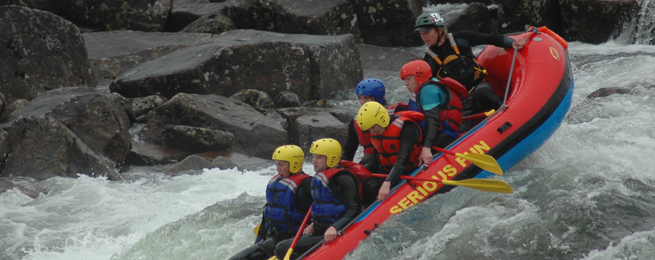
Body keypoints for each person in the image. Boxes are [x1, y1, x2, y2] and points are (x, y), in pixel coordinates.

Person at [413, 12, 526, 130]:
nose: (424, 37)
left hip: (479, 87)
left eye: (427, 32)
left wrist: (511, 42)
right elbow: (427, 88)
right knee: (460, 129)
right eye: (421, 34)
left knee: (484, 94)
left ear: (440, 30)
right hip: (462, 102)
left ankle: (514, 112)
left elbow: (490, 38)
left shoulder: (461, 38)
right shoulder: (428, 60)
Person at [274, 138, 363, 260]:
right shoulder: (321, 176)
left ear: (331, 158)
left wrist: (335, 227)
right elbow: (318, 205)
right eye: (313, 157)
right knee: (279, 248)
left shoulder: (343, 178)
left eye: (319, 158)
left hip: (338, 230)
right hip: (321, 230)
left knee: (282, 248)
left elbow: (354, 208)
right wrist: (314, 225)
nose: (314, 161)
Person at [229, 145, 312, 260]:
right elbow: (267, 216)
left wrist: (313, 225)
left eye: (281, 164)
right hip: (272, 239)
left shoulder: (307, 184)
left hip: (293, 241)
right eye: (276, 164)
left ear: (295, 163)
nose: (277, 169)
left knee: (270, 245)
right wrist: (257, 242)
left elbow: (323, 209)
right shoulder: (275, 182)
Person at [400, 60, 468, 166]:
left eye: (409, 79)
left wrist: (426, 148)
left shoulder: (428, 91)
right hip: (437, 133)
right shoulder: (425, 89)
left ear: (420, 76)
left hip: (446, 134)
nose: (405, 83)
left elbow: (433, 121)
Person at [356, 102, 425, 202]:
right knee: (367, 162)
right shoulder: (378, 130)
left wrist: (388, 182)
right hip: (386, 170)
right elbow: (378, 155)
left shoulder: (406, 127)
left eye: (372, 127)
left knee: (372, 189)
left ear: (381, 120)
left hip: (408, 169)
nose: (372, 131)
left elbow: (403, 159)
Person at [341, 78, 387, 164]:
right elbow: (347, 155)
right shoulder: (356, 123)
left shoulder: (394, 116)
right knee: (368, 160)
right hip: (371, 165)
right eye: (360, 98)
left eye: (366, 98)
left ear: (379, 98)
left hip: (393, 165)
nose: (362, 102)